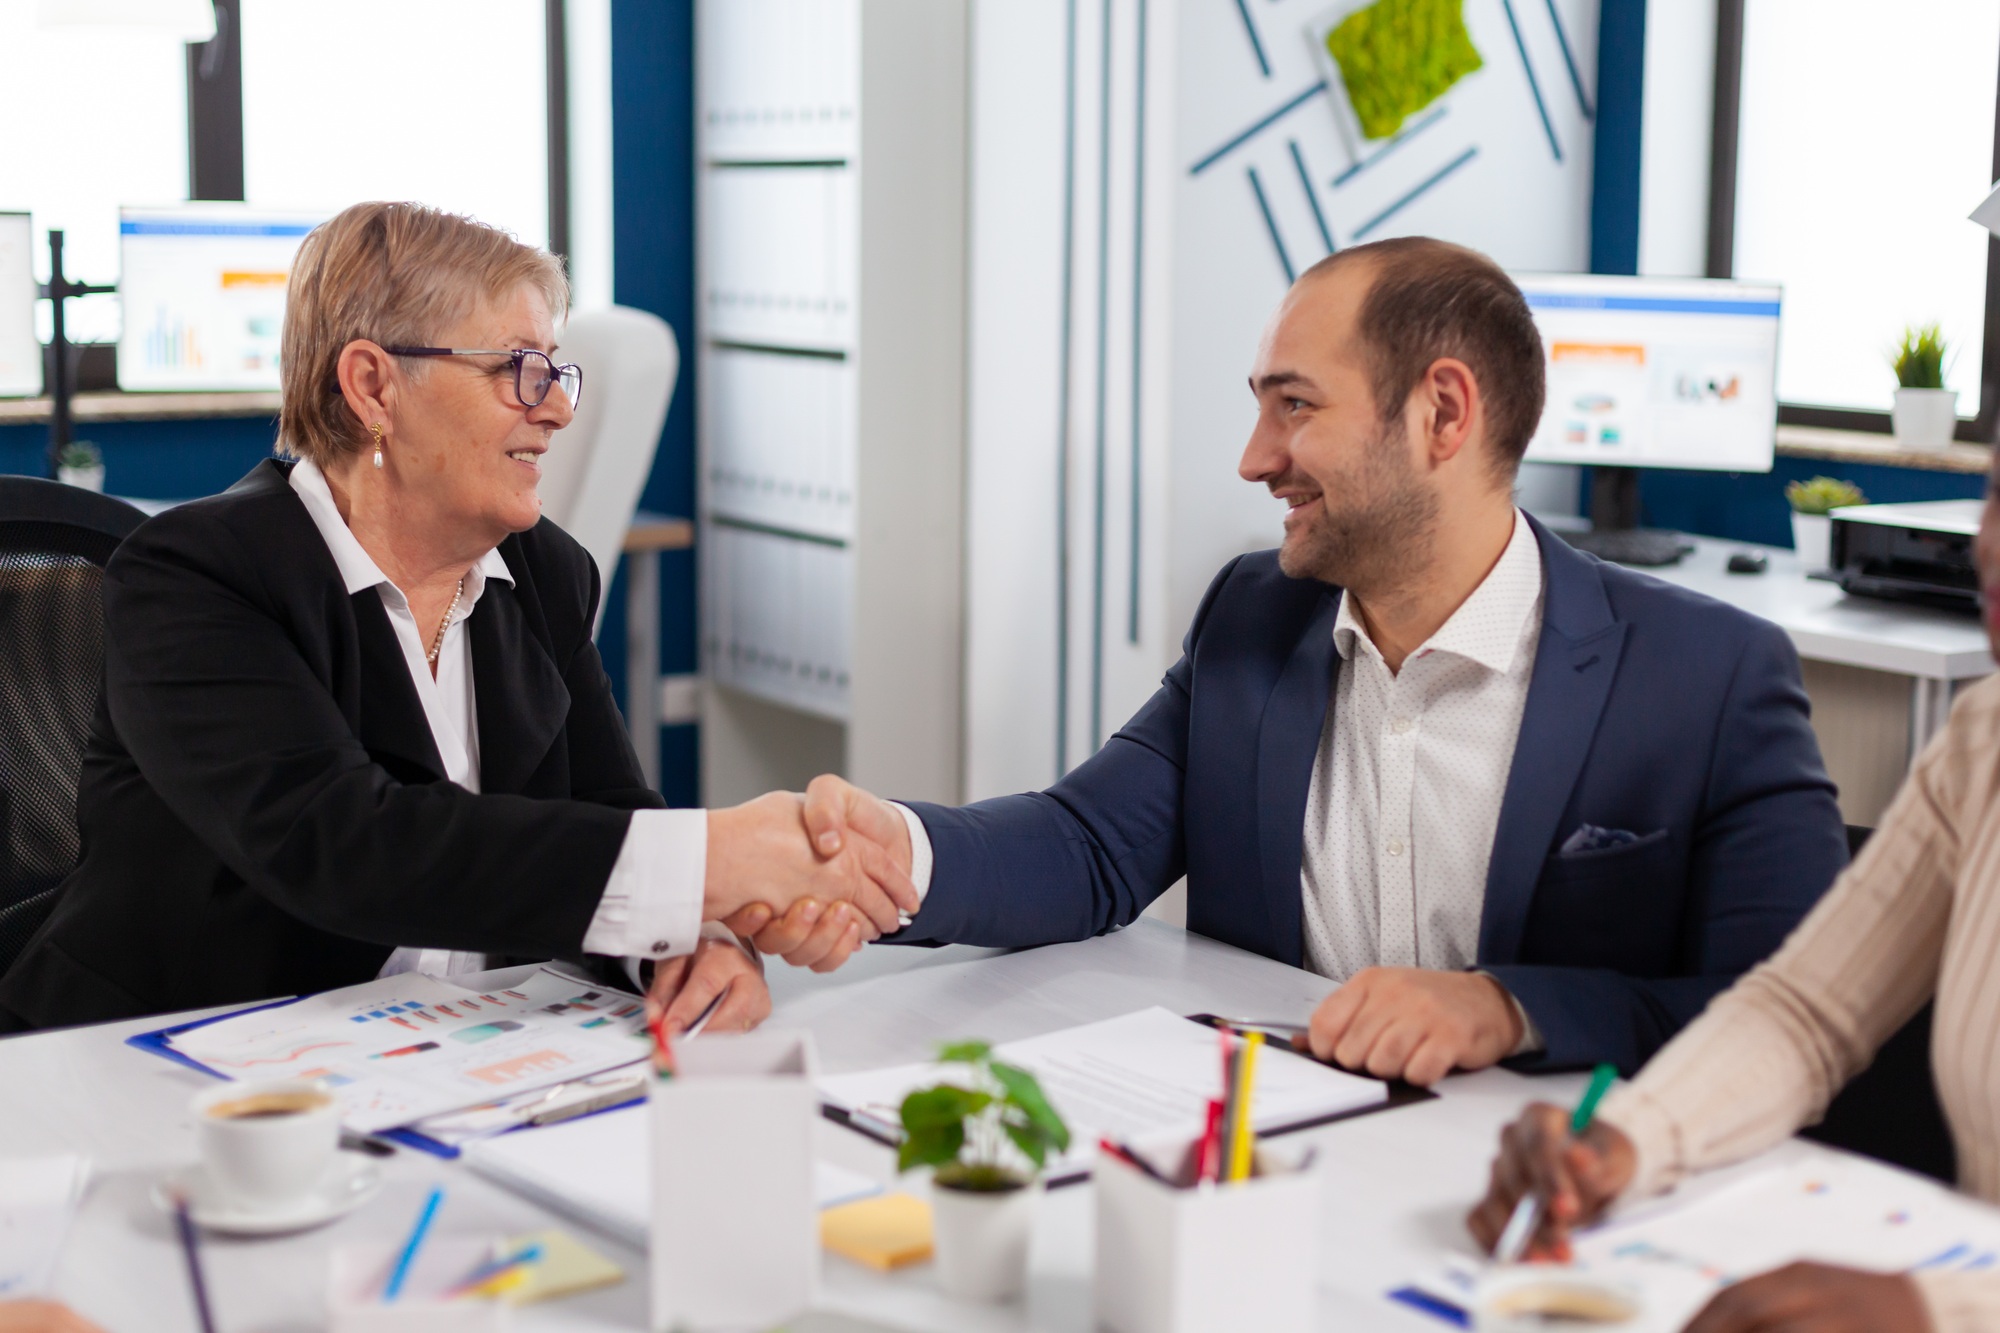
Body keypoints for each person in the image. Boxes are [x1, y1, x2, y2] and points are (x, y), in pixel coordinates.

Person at [740, 236, 1847, 1085]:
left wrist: (1508, 1008)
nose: (1253, 458)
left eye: (1294, 408)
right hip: (1277, 1159)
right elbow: (1089, 846)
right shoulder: (1254, 618)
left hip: (1559, 1199)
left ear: (1441, 412)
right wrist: (903, 851)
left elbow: (1788, 1018)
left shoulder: (1709, 679)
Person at [0, 202, 913, 1034]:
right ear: (373, 386)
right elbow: (349, 845)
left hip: (443, 1067)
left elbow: (606, 811)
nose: (555, 409)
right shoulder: (195, 575)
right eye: (520, 370)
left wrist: (682, 943)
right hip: (159, 1075)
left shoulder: (544, 572)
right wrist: (716, 857)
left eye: (558, 372)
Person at [1466, 460, 2000, 1332]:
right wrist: (1628, 1140)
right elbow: (1804, 1011)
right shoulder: (1985, 742)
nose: (1992, 547)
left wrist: (1942, 1311)